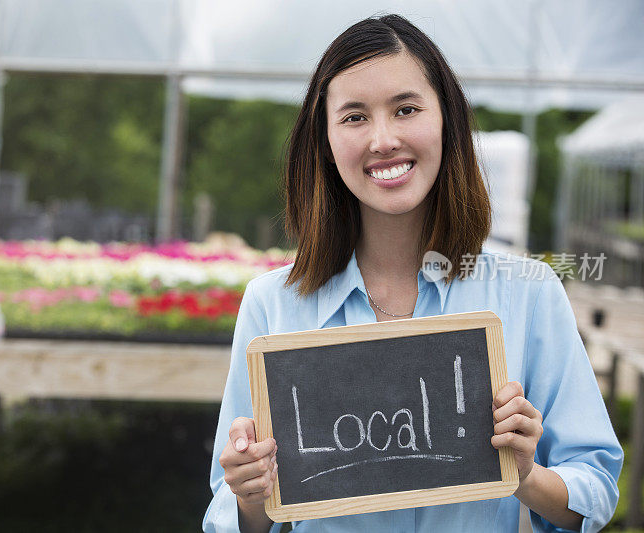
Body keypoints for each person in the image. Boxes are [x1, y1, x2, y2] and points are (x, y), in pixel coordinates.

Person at [203, 14, 622, 533]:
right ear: (325, 140)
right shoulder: (273, 302)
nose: (383, 140)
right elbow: (231, 515)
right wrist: (248, 496)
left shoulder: (529, 292)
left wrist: (527, 475)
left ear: (446, 119)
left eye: (406, 109)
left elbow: (596, 489)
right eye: (354, 117)